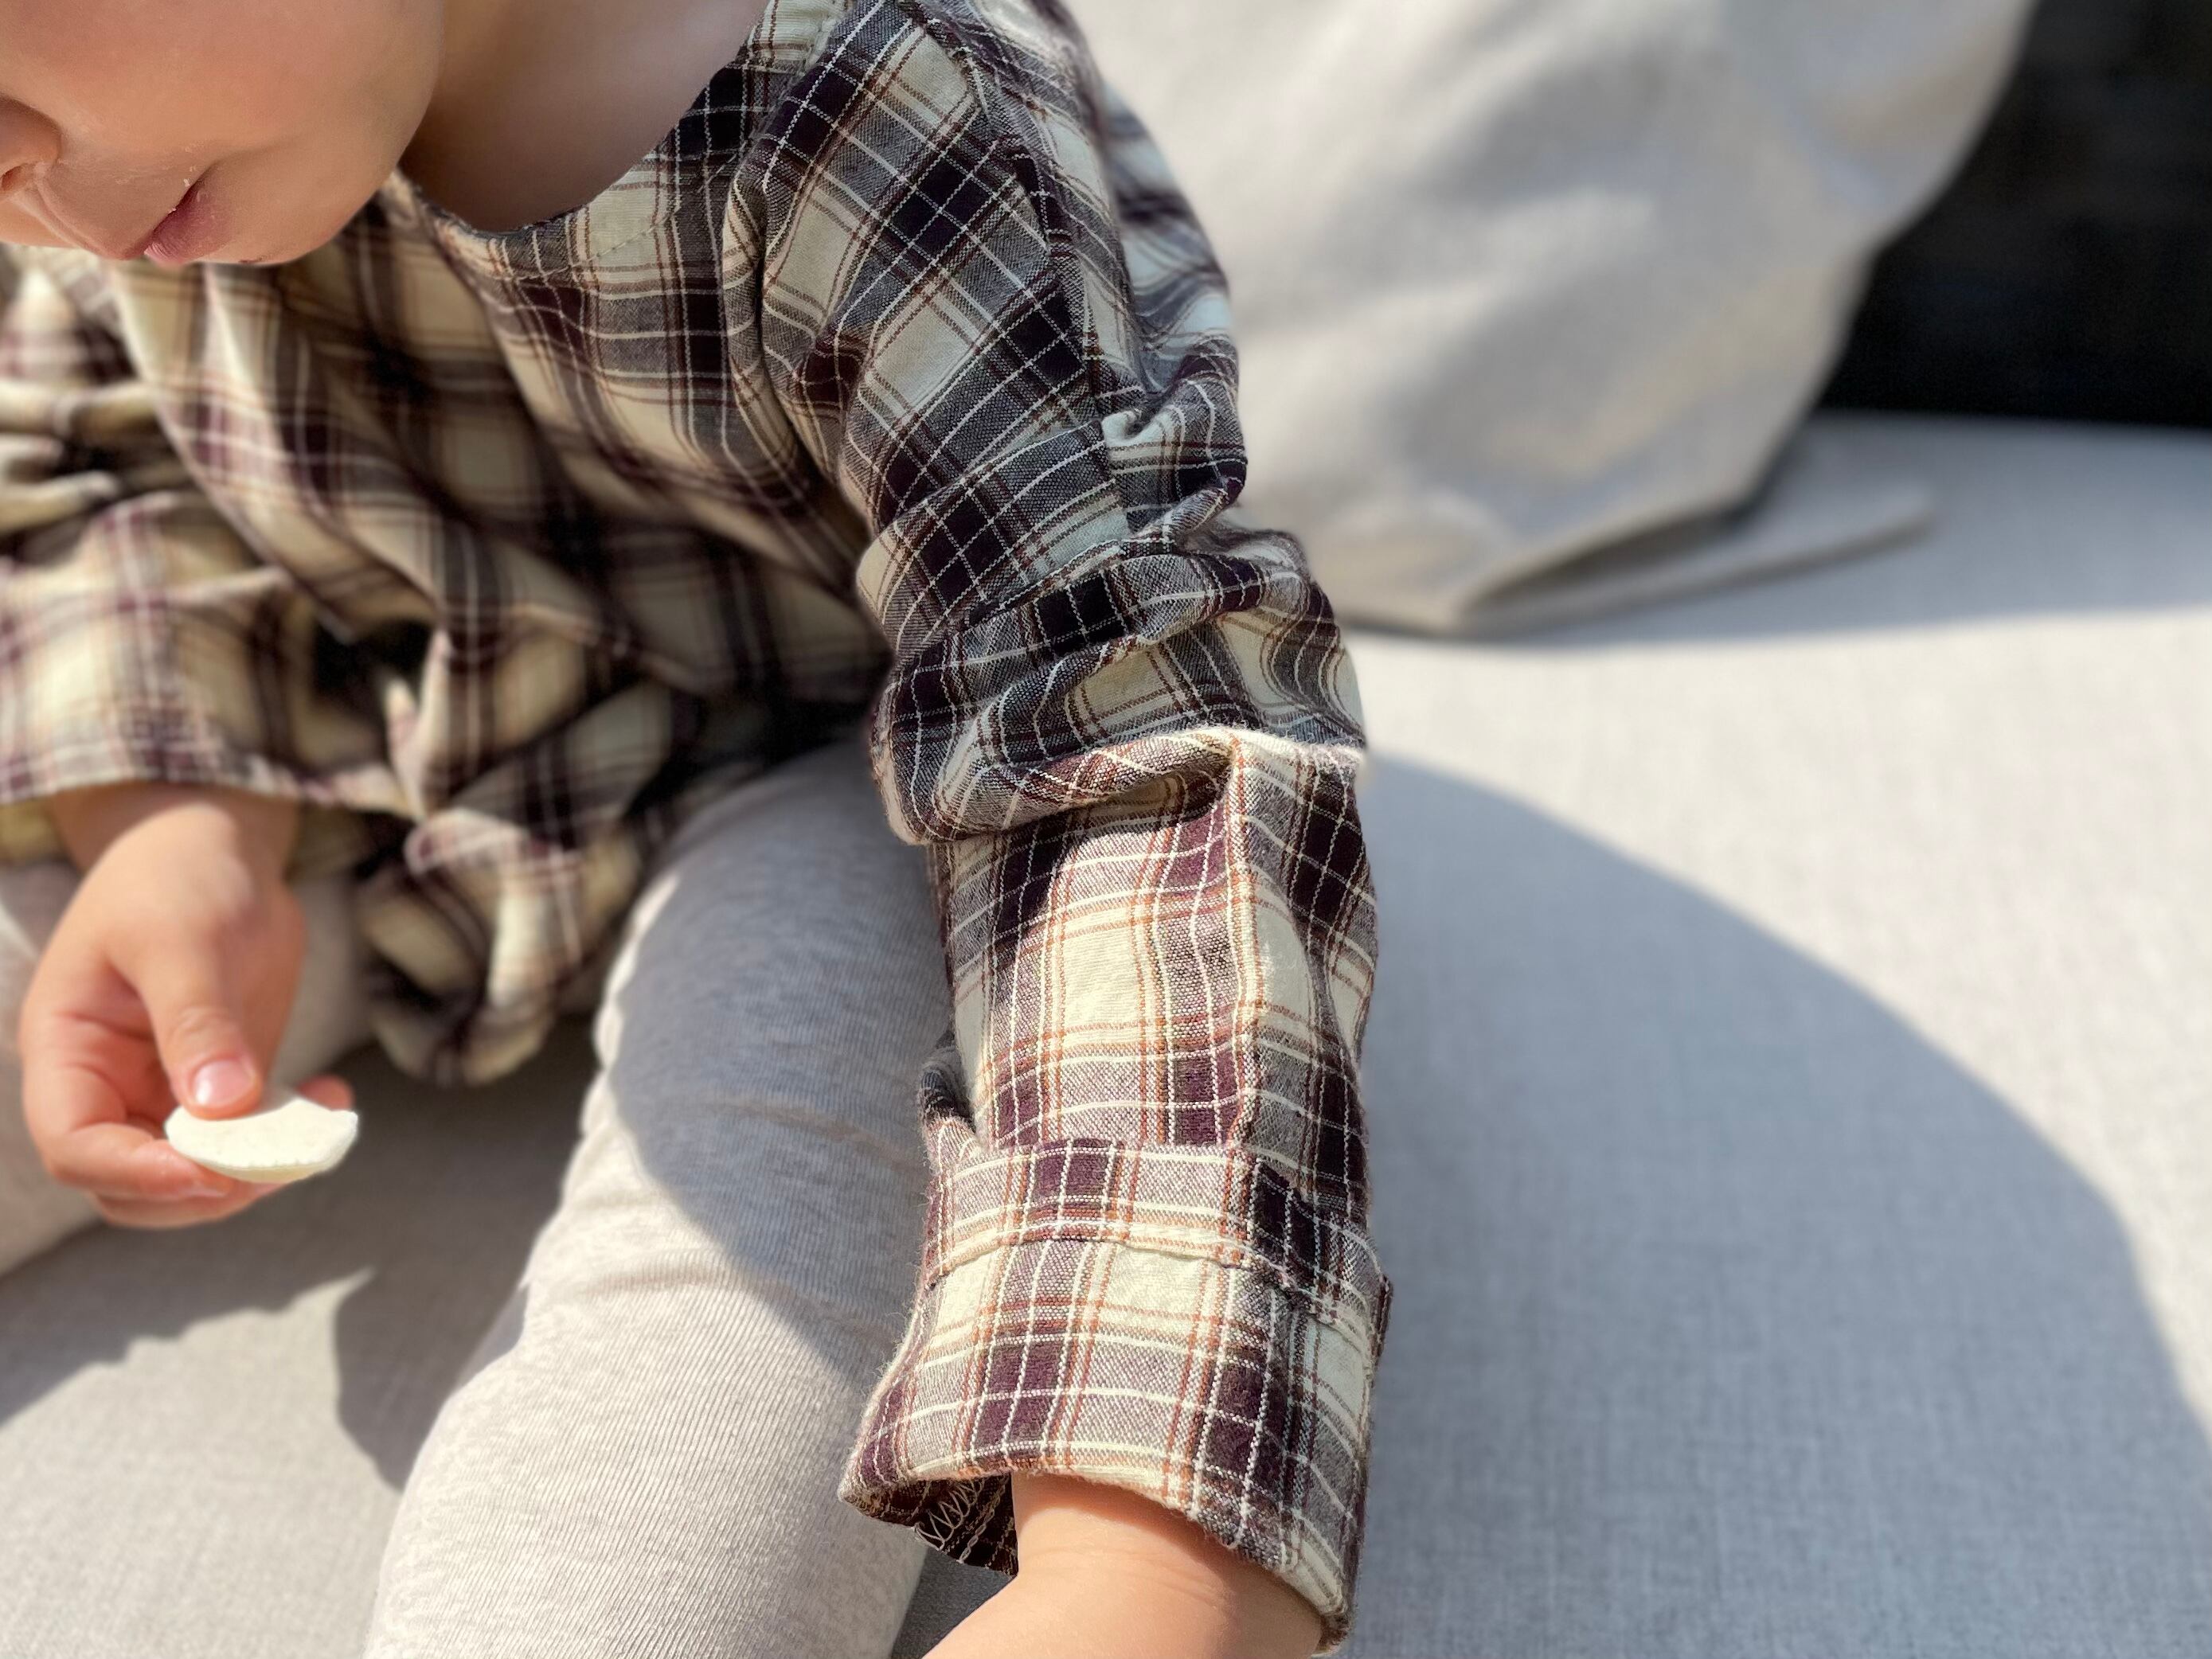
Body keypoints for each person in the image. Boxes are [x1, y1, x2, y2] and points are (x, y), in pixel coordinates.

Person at [0, 0, 1390, 1653]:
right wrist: (176, 812)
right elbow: (96, 434)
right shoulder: (161, 137)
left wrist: (1151, 1559)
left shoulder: (885, 105)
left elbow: (1121, 759)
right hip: (384, 701)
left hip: (861, 768)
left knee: (730, 1293)